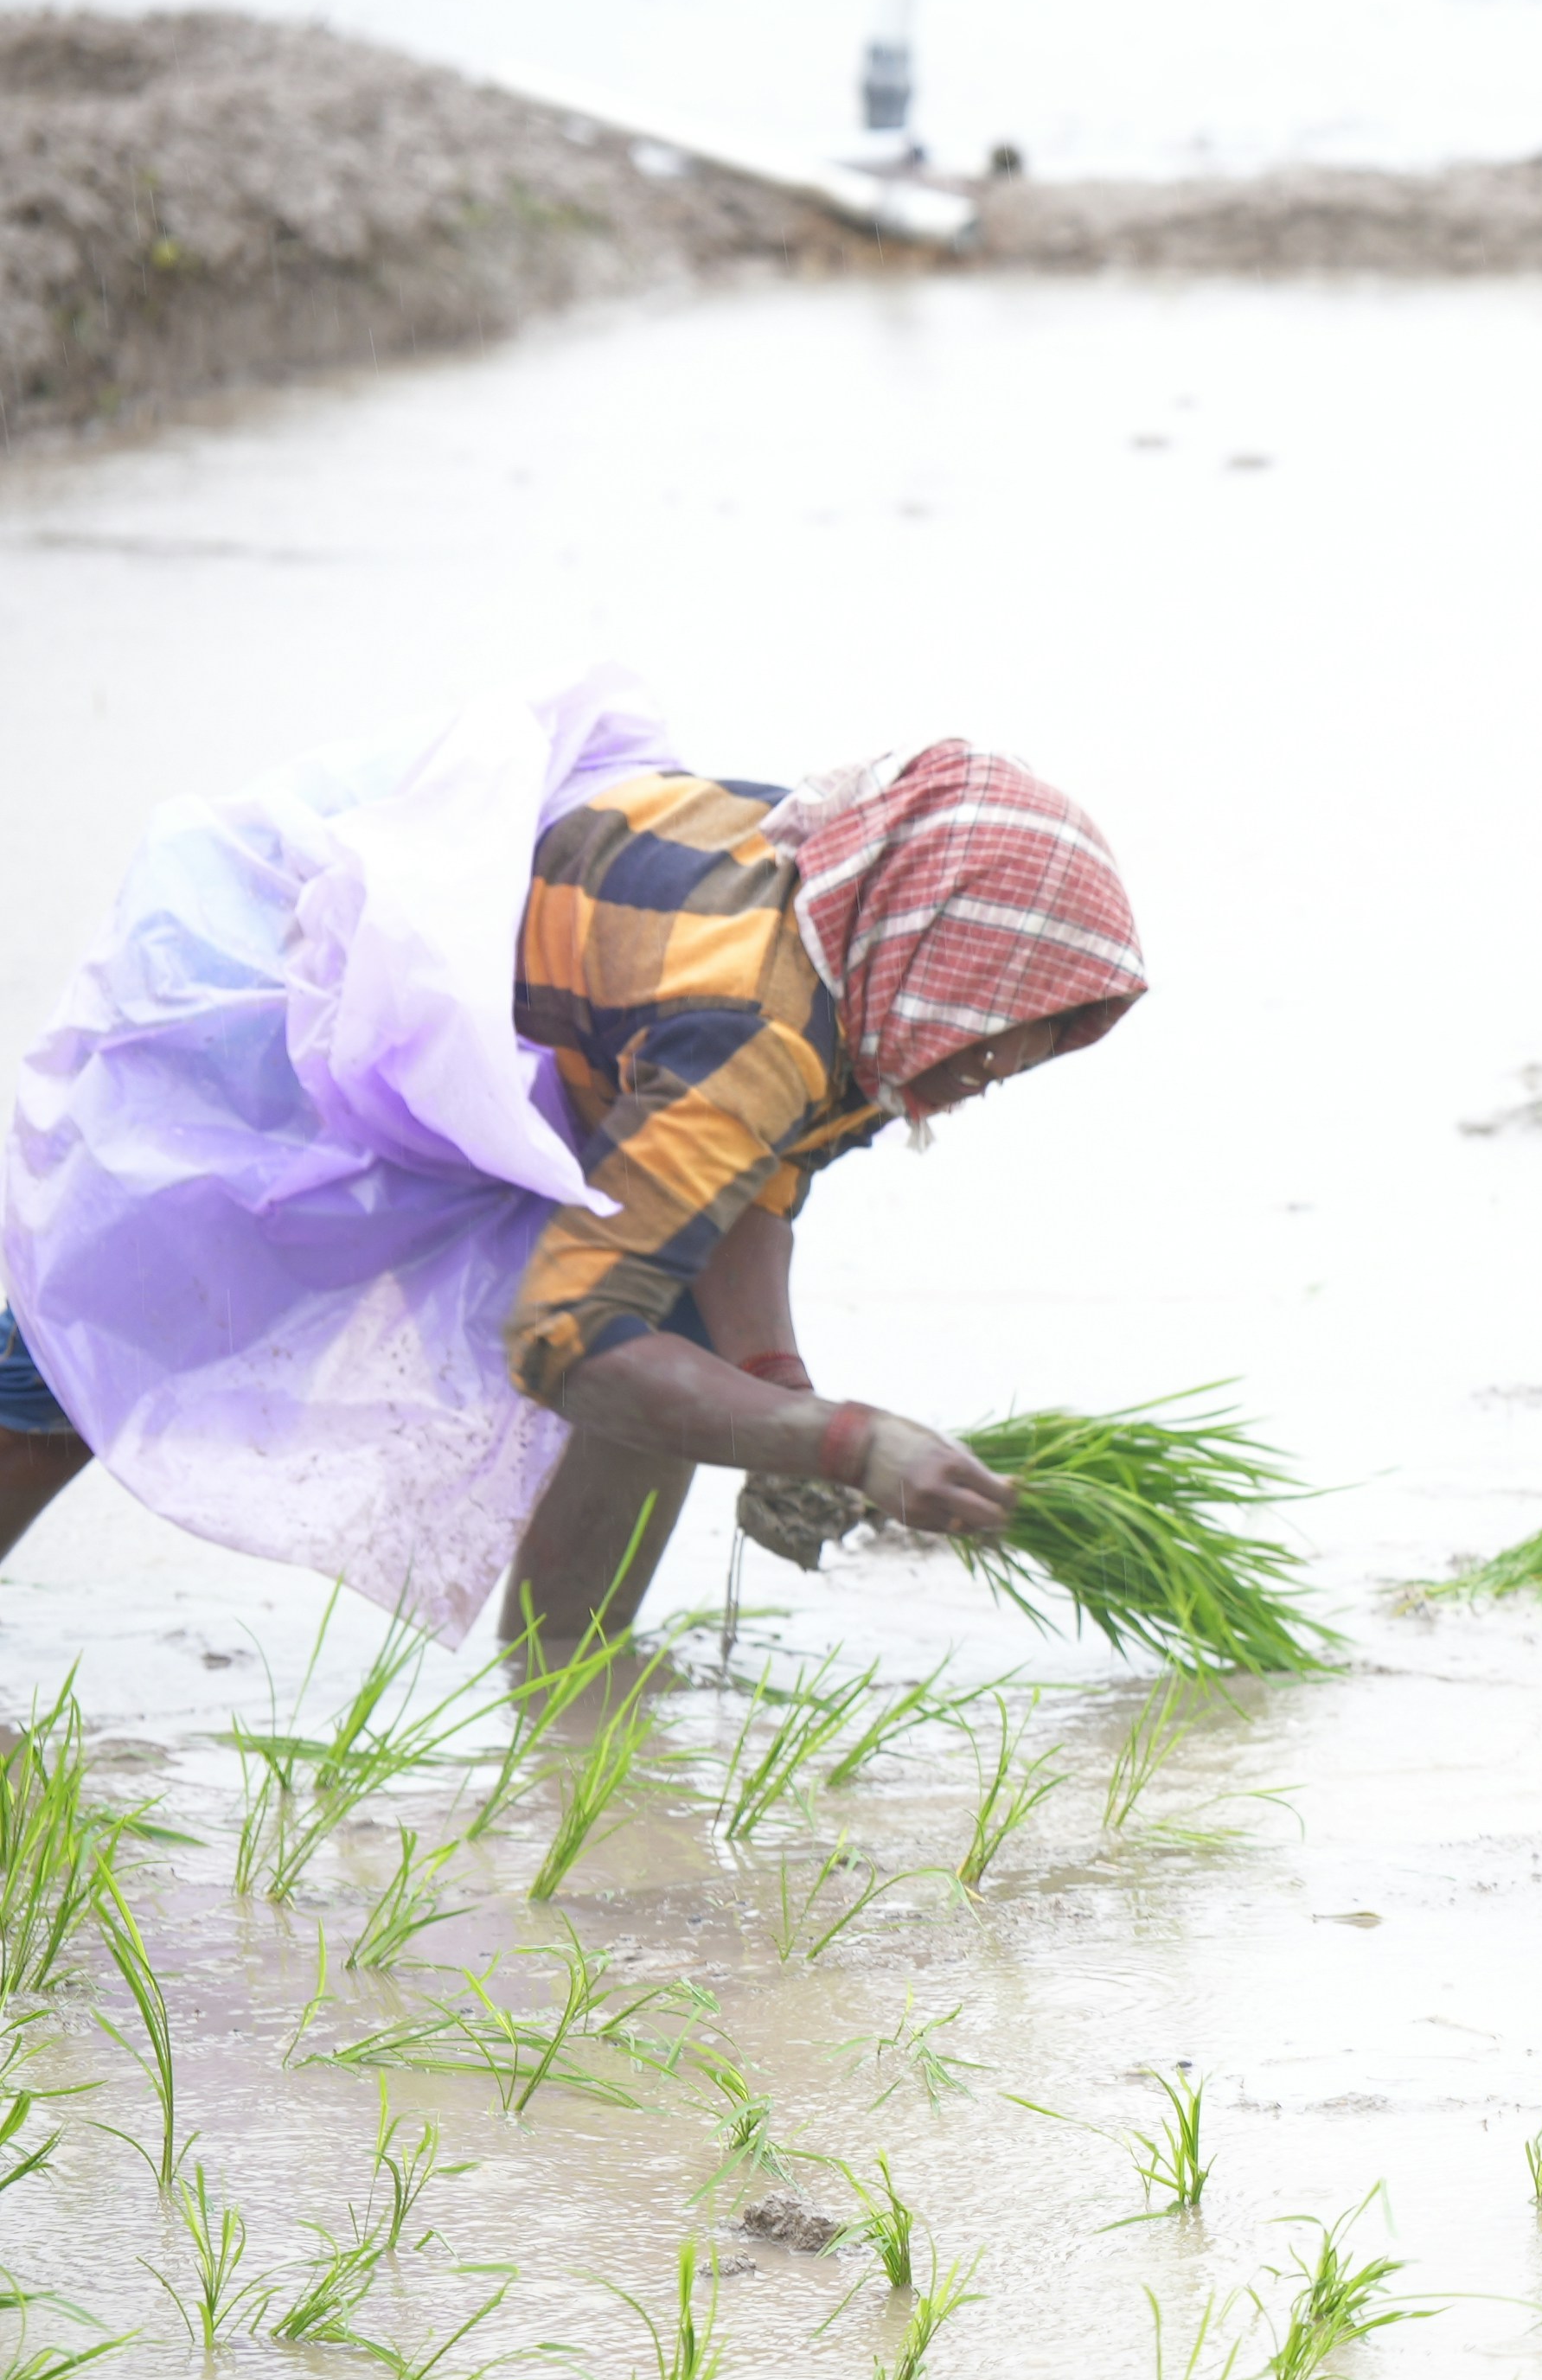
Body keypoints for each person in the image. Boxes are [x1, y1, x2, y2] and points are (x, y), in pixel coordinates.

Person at [0, 682, 1146, 1668]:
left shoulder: (858, 936)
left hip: (514, 1019)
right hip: (308, 997)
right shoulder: (759, 1026)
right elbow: (566, 1343)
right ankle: (565, 1674)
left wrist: (779, 1386)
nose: (1002, 1066)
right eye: (1002, 1025)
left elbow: (747, 1190)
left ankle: (571, 1686)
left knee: (678, 1326)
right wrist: (846, 1442)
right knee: (90, 1331)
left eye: (1039, 1042)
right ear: (933, 948)